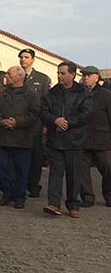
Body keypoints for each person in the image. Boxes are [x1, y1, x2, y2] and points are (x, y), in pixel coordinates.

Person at [41, 61, 93, 218]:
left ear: (72, 74)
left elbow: (86, 114)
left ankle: (73, 204)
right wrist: (55, 120)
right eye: (58, 73)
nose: (59, 76)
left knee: (74, 174)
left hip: (74, 141)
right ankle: (54, 204)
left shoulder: (83, 93)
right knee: (55, 173)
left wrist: (67, 123)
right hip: (55, 140)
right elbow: (43, 112)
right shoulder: (52, 93)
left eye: (63, 73)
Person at [0, 65, 40, 209]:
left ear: (19, 77)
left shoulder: (31, 94)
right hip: (3, 137)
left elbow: (34, 114)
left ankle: (19, 196)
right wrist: (1, 121)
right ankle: (7, 192)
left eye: (9, 74)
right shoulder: (4, 93)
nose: (6, 76)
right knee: (0, 166)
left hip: (22, 138)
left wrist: (17, 122)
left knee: (21, 170)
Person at [18, 48, 51, 199]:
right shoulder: (15, 75)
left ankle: (33, 185)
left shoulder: (42, 79)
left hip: (35, 123)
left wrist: (45, 124)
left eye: (26, 57)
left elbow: (46, 103)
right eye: (21, 57)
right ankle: (20, 184)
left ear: (32, 59)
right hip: (19, 122)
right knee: (19, 154)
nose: (23, 59)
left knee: (35, 155)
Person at [79, 66, 111, 207]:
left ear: (96, 77)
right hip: (83, 139)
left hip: (102, 139)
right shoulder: (79, 94)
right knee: (82, 170)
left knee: (108, 168)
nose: (86, 78)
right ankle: (87, 197)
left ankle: (109, 195)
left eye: (89, 75)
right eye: (84, 75)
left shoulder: (106, 94)